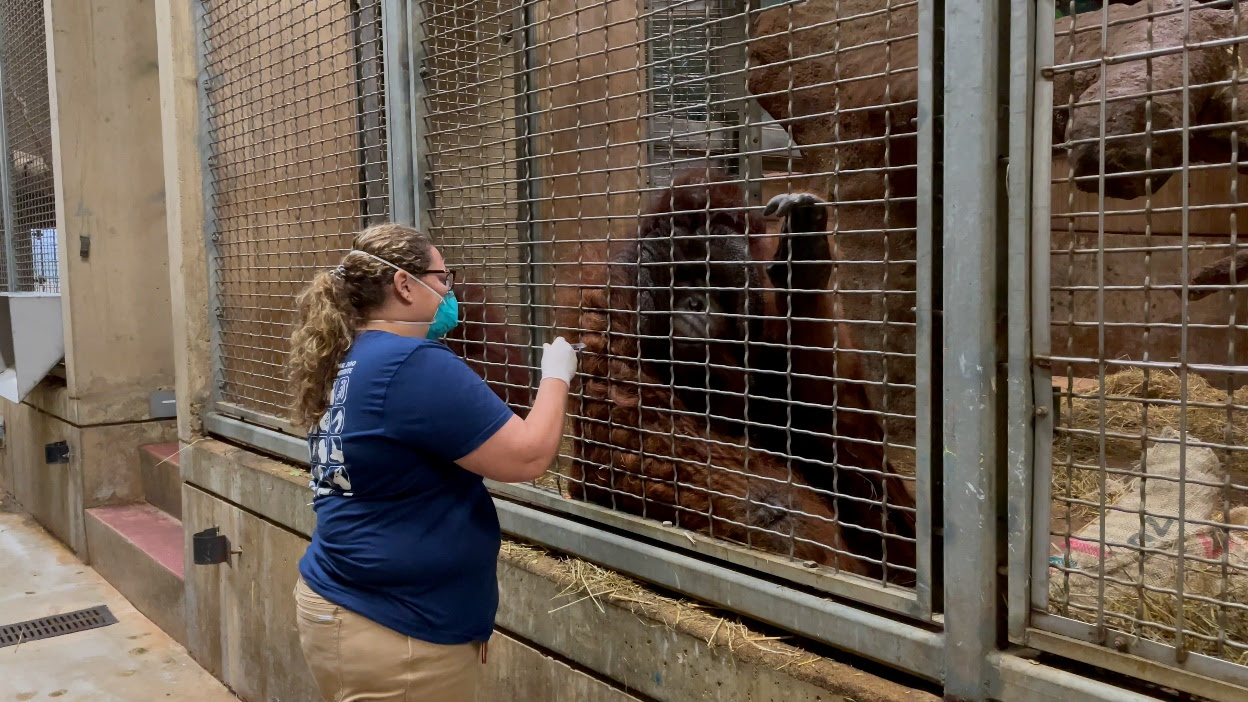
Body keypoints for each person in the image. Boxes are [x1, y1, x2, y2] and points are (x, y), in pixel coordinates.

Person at [285, 222, 578, 701]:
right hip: (395, 627)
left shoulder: (347, 355)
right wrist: (556, 375)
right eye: (443, 278)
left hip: (350, 603)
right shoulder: (411, 363)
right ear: (405, 284)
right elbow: (528, 456)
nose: (449, 291)